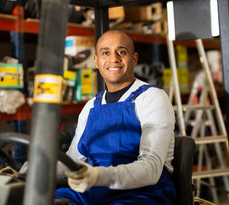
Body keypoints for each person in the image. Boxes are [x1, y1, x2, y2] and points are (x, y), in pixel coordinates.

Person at [55, 29, 176, 204]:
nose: (114, 59)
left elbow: (151, 168)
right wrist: (31, 172)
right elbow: (73, 160)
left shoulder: (151, 98)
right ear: (96, 61)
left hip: (142, 193)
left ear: (134, 59)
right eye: (106, 53)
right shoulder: (91, 106)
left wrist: (98, 176)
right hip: (93, 189)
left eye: (121, 52)